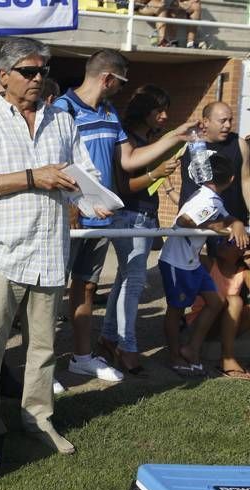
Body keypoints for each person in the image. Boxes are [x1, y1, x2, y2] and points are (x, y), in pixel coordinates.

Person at [0, 37, 109, 455]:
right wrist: (33, 176)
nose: (38, 78)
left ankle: (39, 420)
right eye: (28, 71)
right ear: (3, 76)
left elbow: (84, 172)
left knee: (43, 349)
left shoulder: (62, 121)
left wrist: (92, 199)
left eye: (43, 70)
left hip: (48, 253)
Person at [54, 49, 195, 385]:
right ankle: (41, 368)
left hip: (101, 222)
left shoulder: (109, 111)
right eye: (120, 82)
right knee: (50, 293)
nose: (121, 89)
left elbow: (129, 160)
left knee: (86, 290)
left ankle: (82, 358)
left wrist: (176, 136)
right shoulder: (62, 109)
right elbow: (53, 162)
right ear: (108, 78)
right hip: (69, 220)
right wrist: (73, 207)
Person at [99, 85, 181, 375]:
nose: (164, 116)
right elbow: (124, 188)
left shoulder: (148, 140)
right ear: (144, 112)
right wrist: (155, 174)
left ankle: (109, 338)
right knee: (134, 282)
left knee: (124, 279)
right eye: (159, 110)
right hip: (128, 217)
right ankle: (127, 346)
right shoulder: (127, 141)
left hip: (145, 217)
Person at [159, 153, 248, 376]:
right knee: (175, 311)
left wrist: (236, 222)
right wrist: (213, 226)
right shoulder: (207, 201)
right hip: (176, 262)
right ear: (231, 179)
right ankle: (174, 356)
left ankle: (191, 348)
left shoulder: (213, 197)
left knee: (216, 301)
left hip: (192, 262)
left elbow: (227, 217)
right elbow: (183, 221)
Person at [185, 241, 250, 379]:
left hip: (225, 323)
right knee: (235, 301)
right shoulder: (208, 263)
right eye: (223, 239)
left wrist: (249, 261)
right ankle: (227, 359)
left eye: (231, 242)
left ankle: (227, 350)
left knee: (239, 304)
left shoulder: (243, 272)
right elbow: (187, 253)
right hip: (201, 322)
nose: (223, 242)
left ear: (241, 251)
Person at [179, 102, 250, 223]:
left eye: (230, 120)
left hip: (231, 224)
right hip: (194, 223)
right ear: (206, 121)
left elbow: (246, 181)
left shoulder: (239, 143)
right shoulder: (190, 141)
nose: (228, 125)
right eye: (222, 121)